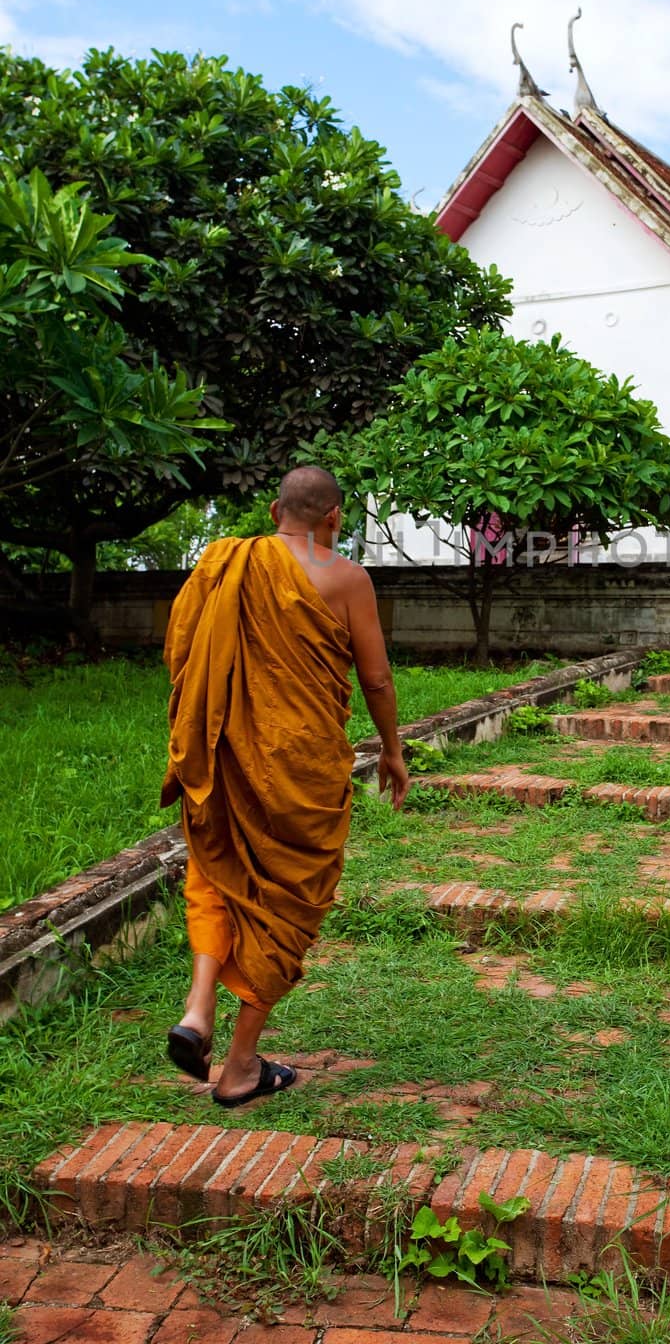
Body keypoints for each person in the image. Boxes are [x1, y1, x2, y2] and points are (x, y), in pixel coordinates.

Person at [160, 465, 409, 1106]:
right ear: (334, 518)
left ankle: (197, 1005)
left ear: (275, 511)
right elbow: (376, 681)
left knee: (216, 873)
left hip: (228, 757)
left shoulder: (223, 562)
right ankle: (241, 1066)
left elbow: (183, 652)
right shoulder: (348, 578)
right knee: (289, 905)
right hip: (303, 768)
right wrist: (393, 749)